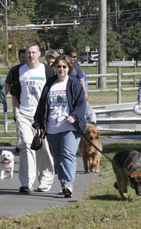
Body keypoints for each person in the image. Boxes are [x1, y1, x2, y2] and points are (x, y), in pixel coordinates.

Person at [33, 55, 86, 198]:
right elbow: (42, 105)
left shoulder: (74, 84)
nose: (61, 69)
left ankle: (69, 184)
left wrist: (74, 116)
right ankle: (64, 183)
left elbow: (81, 104)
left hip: (70, 126)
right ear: (54, 68)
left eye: (64, 66)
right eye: (59, 67)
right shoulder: (50, 84)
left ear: (69, 68)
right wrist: (38, 124)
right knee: (57, 158)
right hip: (52, 127)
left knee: (67, 154)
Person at [7, 42, 55, 193]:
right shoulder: (18, 72)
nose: (31, 55)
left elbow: (52, 93)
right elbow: (14, 94)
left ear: (39, 54)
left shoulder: (48, 71)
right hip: (24, 115)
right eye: (28, 52)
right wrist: (16, 112)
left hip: (43, 116)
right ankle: (27, 182)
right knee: (26, 146)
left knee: (43, 148)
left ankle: (45, 181)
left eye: (34, 52)